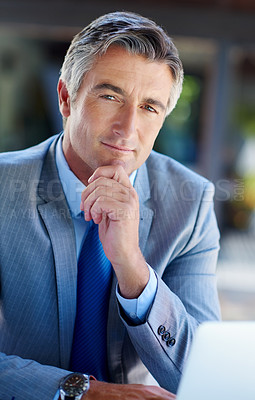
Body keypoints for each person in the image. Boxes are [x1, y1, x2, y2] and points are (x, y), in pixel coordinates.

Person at [0, 11, 221, 400]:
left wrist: (132, 267)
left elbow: (204, 374)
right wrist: (85, 392)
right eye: (110, 96)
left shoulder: (191, 204)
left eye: (150, 107)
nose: (127, 127)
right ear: (66, 98)